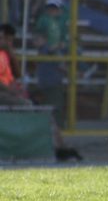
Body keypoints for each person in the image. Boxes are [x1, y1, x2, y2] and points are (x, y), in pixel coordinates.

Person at [0, 23, 82, 161]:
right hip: (4, 94)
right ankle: (37, 147)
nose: (7, 43)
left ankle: (60, 146)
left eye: (9, 40)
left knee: (41, 108)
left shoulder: (5, 55)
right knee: (27, 105)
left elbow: (15, 76)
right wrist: (11, 91)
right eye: (4, 39)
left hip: (8, 93)